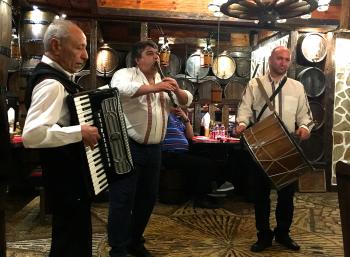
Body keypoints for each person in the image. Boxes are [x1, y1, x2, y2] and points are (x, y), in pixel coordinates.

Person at [106, 40, 193, 257]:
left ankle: (135, 241)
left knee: (147, 199)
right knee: (123, 198)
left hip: (155, 150)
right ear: (138, 58)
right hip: (129, 147)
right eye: (150, 53)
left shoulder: (164, 80)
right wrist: (157, 87)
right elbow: (119, 89)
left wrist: (177, 90)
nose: (156, 57)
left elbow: (186, 101)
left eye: (157, 54)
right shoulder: (125, 74)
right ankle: (117, 248)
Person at [22, 19, 100, 257]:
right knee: (71, 245)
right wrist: (80, 132)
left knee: (69, 240)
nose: (85, 55)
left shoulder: (57, 78)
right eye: (79, 47)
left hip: (66, 181)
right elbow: (31, 136)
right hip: (66, 182)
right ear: (56, 45)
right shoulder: (52, 84)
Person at [235, 46, 314, 252]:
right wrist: (242, 123)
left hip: (286, 147)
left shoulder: (297, 87)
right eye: (279, 58)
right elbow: (244, 110)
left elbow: (305, 116)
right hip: (262, 147)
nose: (283, 63)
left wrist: (304, 128)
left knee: (287, 195)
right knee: (260, 195)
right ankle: (263, 235)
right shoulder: (255, 84)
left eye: (287, 59)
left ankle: (283, 233)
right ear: (271, 59)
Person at [162, 107, 227, 209]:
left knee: (212, 158)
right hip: (170, 154)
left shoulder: (178, 119)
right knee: (206, 164)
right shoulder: (164, 115)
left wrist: (186, 119)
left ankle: (212, 191)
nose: (178, 107)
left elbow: (190, 136)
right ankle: (201, 198)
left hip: (183, 153)